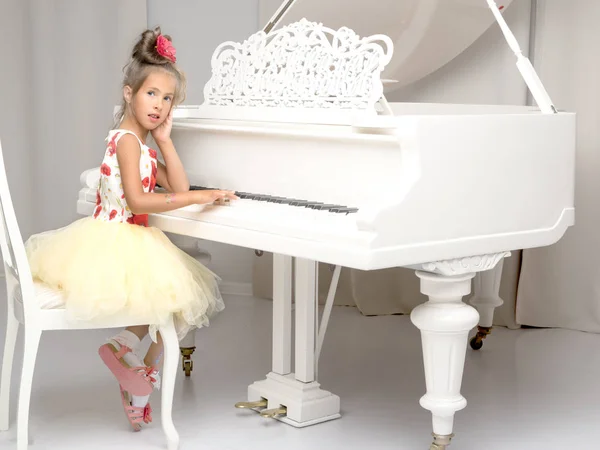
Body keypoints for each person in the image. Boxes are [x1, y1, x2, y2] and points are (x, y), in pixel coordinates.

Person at [24, 26, 237, 431]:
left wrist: (166, 142)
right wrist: (198, 197)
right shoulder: (125, 141)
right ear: (129, 93)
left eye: (167, 98)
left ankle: (127, 358)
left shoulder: (142, 142)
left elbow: (174, 185)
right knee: (176, 303)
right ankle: (136, 375)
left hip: (130, 237)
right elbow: (142, 202)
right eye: (151, 93)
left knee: (176, 303)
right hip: (115, 238)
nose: (158, 105)